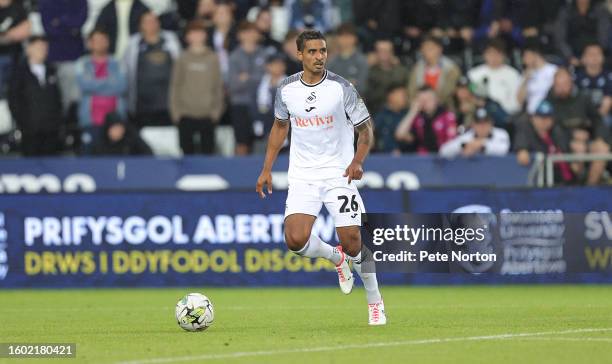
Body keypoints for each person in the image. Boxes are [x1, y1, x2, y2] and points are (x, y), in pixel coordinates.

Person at [255, 30, 386, 325]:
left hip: (339, 174)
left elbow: (365, 129)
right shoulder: (287, 89)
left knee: (353, 241)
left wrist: (357, 160)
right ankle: (335, 258)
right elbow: (279, 128)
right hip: (303, 175)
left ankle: (374, 300)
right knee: (295, 239)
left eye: (323, 51)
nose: (319, 57)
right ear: (299, 54)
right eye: (312, 52)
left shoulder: (341, 88)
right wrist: (266, 168)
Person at [547, 67, 610, 185]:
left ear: (571, 83)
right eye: (558, 85)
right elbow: (549, 127)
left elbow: (598, 120)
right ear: (553, 84)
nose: (562, 88)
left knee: (602, 149)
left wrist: (600, 138)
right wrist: (572, 135)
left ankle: (591, 186)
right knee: (578, 149)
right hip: (562, 142)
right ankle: (575, 186)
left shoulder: (583, 98)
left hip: (588, 139)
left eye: (565, 84)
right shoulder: (548, 102)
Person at [170, 20, 224, 155]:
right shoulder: (182, 58)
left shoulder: (212, 58)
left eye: (200, 33)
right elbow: (175, 85)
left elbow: (218, 86)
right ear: (187, 36)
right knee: (186, 153)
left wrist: (216, 112)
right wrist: (176, 112)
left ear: (205, 35)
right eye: (193, 33)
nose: (197, 36)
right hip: (185, 115)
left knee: (208, 153)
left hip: (208, 115)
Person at [124, 11, 181, 127]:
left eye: (154, 20)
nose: (151, 24)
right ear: (140, 25)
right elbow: (126, 70)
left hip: (168, 104)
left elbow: (180, 66)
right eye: (147, 21)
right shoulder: (133, 44)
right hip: (142, 105)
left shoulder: (171, 40)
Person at [8, 36, 63, 156]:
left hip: (51, 130)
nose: (43, 50)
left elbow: (57, 99)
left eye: (45, 47)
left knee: (51, 167)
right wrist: (23, 123)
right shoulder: (19, 73)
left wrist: (57, 123)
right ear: (28, 49)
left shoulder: (51, 70)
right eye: (39, 47)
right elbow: (13, 100)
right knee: (30, 166)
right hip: (30, 131)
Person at [75, 29, 127, 154]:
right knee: (88, 159)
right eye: (96, 40)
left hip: (115, 123)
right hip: (91, 120)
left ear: (108, 42)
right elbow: (84, 86)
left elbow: (121, 86)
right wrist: (109, 82)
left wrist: (95, 84)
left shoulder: (117, 62)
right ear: (90, 43)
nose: (100, 43)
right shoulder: (82, 63)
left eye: (103, 40)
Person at [39, 0, 88, 111]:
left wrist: (60, 21)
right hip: (53, 56)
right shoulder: (45, 2)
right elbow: (48, 27)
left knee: (75, 99)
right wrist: (69, 26)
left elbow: (80, 20)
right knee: (55, 98)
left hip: (76, 55)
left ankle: (72, 123)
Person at [228, 21, 268, 155]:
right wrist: (255, 78)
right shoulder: (234, 56)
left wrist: (246, 77)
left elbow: (266, 80)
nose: (250, 35)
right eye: (246, 32)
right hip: (240, 104)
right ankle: (241, 172)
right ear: (240, 35)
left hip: (261, 104)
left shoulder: (264, 54)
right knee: (241, 142)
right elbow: (233, 85)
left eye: (253, 31)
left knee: (262, 141)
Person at [513, 100, 575, 184]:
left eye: (548, 118)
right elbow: (522, 150)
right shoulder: (526, 130)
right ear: (533, 118)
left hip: (560, 177)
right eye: (541, 117)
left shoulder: (557, 131)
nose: (544, 121)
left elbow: (564, 151)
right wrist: (522, 150)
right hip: (536, 179)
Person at [395, 86, 458, 154]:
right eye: (421, 100)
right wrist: (412, 112)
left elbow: (452, 142)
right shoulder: (418, 119)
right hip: (423, 160)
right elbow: (400, 135)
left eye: (429, 99)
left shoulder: (447, 117)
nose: (425, 103)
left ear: (436, 99)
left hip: (444, 159)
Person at [467, 38, 522, 116]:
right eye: (490, 53)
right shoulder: (474, 74)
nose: (494, 57)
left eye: (497, 53)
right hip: (480, 114)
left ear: (504, 55)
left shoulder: (513, 74)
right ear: (484, 55)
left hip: (506, 114)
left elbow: (515, 103)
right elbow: (470, 95)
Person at [407, 36, 461, 109]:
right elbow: (411, 91)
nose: (426, 51)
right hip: (420, 108)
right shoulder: (417, 68)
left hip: (444, 108)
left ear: (440, 49)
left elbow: (448, 92)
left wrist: (431, 103)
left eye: (430, 48)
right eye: (424, 48)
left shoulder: (451, 69)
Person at [439, 107, 510, 158]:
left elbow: (505, 149)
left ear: (491, 123)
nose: (482, 126)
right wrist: (463, 146)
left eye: (485, 123)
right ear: (473, 125)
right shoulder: (467, 136)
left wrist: (482, 146)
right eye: (479, 123)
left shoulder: (501, 133)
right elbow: (443, 151)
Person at [252, 53, 287, 154]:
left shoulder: (291, 84)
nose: (278, 67)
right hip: (263, 128)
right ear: (267, 66)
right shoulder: (260, 84)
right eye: (275, 64)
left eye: (281, 64)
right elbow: (254, 105)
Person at [365, 38, 409, 116]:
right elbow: (365, 96)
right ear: (376, 53)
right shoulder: (369, 72)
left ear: (392, 52)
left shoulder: (401, 71)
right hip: (375, 113)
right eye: (380, 51)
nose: (384, 54)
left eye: (387, 51)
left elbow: (406, 93)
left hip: (399, 113)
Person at [574, 43, 612, 124]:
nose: (595, 57)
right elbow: (574, 102)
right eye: (591, 54)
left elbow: (606, 105)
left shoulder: (609, 77)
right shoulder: (576, 78)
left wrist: (593, 121)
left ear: (603, 57)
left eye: (598, 54)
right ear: (583, 58)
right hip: (580, 115)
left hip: (602, 116)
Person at [0, 0, 30, 98]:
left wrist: (5, 37)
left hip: (17, 56)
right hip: (2, 58)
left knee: (17, 92)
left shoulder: (18, 5)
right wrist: (12, 35)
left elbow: (26, 29)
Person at [517, 43, 558, 114]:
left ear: (535, 54)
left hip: (551, 111)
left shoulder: (553, 70)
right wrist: (525, 81)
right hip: (532, 114)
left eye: (525, 56)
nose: (524, 61)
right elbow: (520, 100)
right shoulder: (526, 74)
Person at [327, 23, 368, 94]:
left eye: (348, 36)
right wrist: (350, 82)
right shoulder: (331, 62)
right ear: (337, 38)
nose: (345, 40)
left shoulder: (361, 61)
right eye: (342, 36)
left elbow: (362, 87)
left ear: (355, 39)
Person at [373, 85, 408, 154]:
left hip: (405, 158)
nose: (405, 98)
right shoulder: (380, 115)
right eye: (402, 95)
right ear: (391, 96)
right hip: (381, 158)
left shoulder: (407, 115)